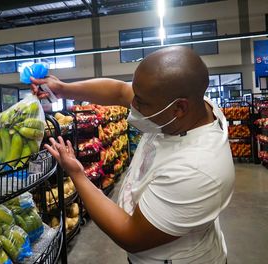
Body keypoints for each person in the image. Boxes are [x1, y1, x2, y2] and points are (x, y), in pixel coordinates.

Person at [31, 46, 235, 263]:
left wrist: (77, 175)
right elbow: (119, 91)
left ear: (179, 108)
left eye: (141, 102)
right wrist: (62, 89)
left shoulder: (197, 169)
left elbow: (130, 235)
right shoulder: (189, 108)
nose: (133, 105)